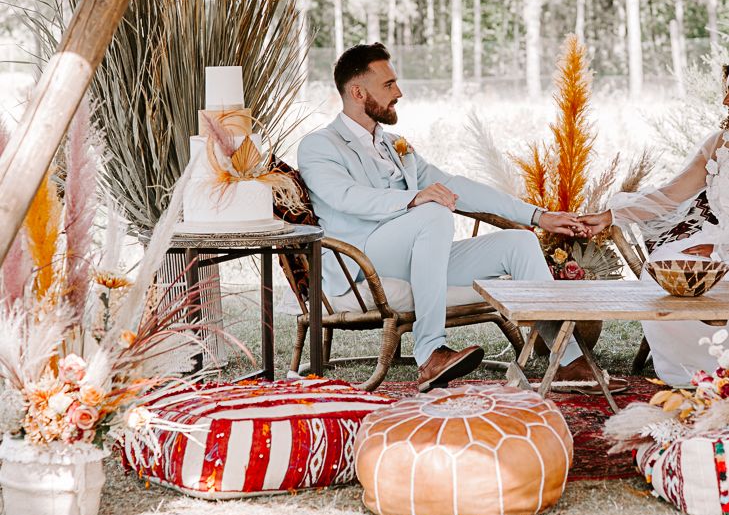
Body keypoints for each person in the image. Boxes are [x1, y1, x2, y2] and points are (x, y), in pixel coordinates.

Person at [298, 42, 625, 392]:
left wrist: (537, 215)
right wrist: (416, 197)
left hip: (417, 250)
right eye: (389, 85)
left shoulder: (393, 144)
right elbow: (346, 197)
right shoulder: (320, 145)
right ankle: (429, 354)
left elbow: (454, 186)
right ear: (358, 91)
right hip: (361, 258)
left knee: (518, 243)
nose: (399, 93)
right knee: (434, 212)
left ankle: (568, 361)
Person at [580, 65, 729, 385]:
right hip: (715, 235)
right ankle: (693, 375)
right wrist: (611, 217)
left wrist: (721, 248)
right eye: (726, 91)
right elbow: (670, 194)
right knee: (663, 270)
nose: (726, 101)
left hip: (724, 244)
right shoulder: (718, 143)